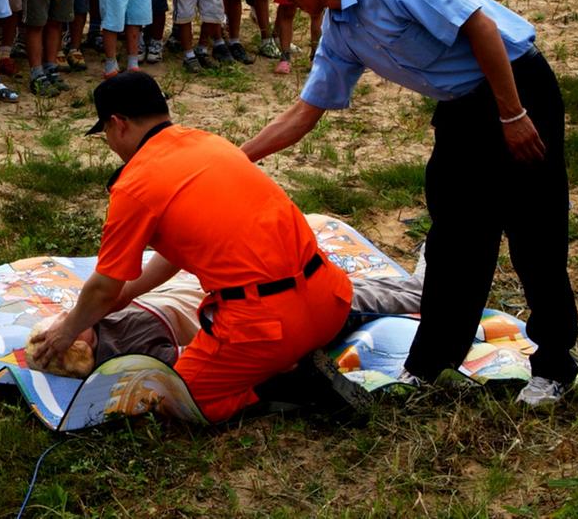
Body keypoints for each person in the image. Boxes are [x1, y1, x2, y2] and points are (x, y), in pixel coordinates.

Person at [240, 0, 578, 407]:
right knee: (455, 237)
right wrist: (234, 159)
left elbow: (480, 26)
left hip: (515, 86)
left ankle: (555, 364)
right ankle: (429, 366)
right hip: (462, 108)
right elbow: (305, 111)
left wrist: (513, 114)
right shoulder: (339, 28)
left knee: (534, 231)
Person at [30, 71, 354, 422]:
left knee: (175, 397)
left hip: (265, 328)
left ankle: (286, 382)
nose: (109, 141)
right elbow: (173, 254)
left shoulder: (135, 184)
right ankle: (293, 357)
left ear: (117, 123)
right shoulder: (209, 144)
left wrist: (67, 329)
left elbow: (104, 288)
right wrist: (116, 302)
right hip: (331, 302)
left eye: (105, 133)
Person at [29, 268, 424, 378]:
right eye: (62, 321)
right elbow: (189, 360)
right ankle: (429, 290)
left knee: (350, 290)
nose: (66, 312)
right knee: (357, 300)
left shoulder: (101, 323)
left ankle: (421, 284)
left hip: (220, 291)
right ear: (76, 339)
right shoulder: (124, 347)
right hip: (245, 307)